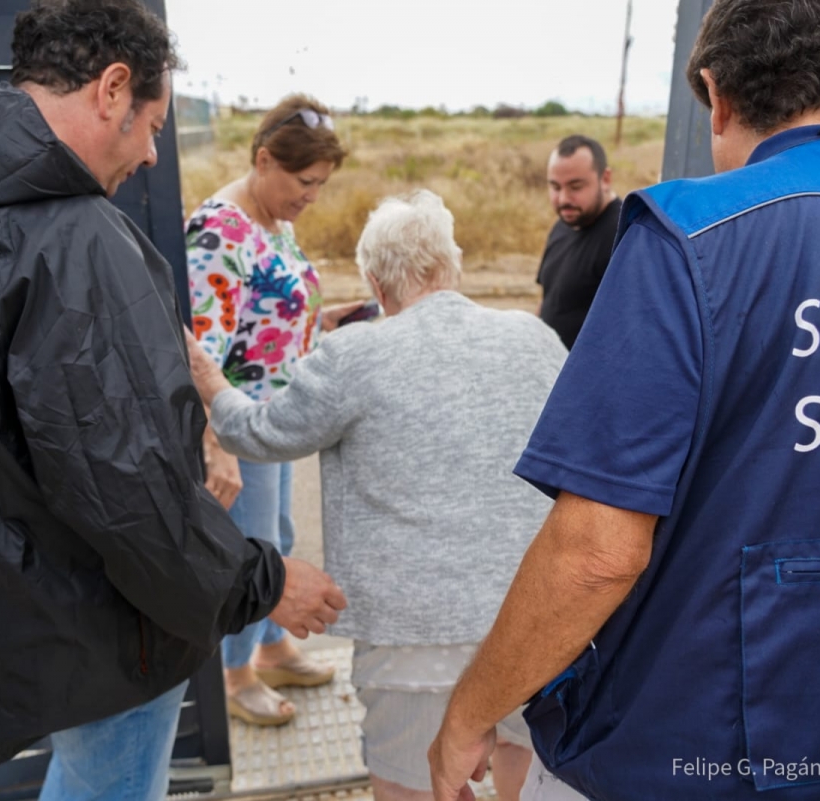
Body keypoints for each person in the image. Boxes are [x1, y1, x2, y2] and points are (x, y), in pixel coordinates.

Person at [429, 2, 820, 800]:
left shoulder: (691, 235)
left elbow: (597, 551)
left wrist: (467, 714)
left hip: (677, 754)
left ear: (717, 93)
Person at [0, 2, 345, 799]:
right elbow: (129, 492)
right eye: (153, 124)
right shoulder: (72, 240)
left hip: (14, 598)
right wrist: (263, 580)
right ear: (112, 89)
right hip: (104, 611)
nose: (154, 154)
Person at [186, 190, 567, 801]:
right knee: (532, 762)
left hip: (411, 636)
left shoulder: (353, 354)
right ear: (453, 265)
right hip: (532, 617)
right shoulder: (536, 338)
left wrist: (209, 381)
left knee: (412, 782)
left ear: (373, 283)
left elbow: (258, 433)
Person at [184, 94, 360, 727]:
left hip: (275, 419)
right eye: (305, 183)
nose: (312, 197)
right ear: (264, 160)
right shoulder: (220, 232)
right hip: (240, 420)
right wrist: (217, 443)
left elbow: (272, 311)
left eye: (320, 185)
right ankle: (235, 675)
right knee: (250, 557)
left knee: (278, 537)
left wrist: (328, 319)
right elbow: (196, 349)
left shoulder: (273, 221)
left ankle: (271, 648)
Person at [535, 135, 621, 349]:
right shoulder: (562, 225)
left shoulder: (624, 236)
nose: (563, 199)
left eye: (575, 187)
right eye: (555, 187)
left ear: (605, 179)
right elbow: (547, 300)